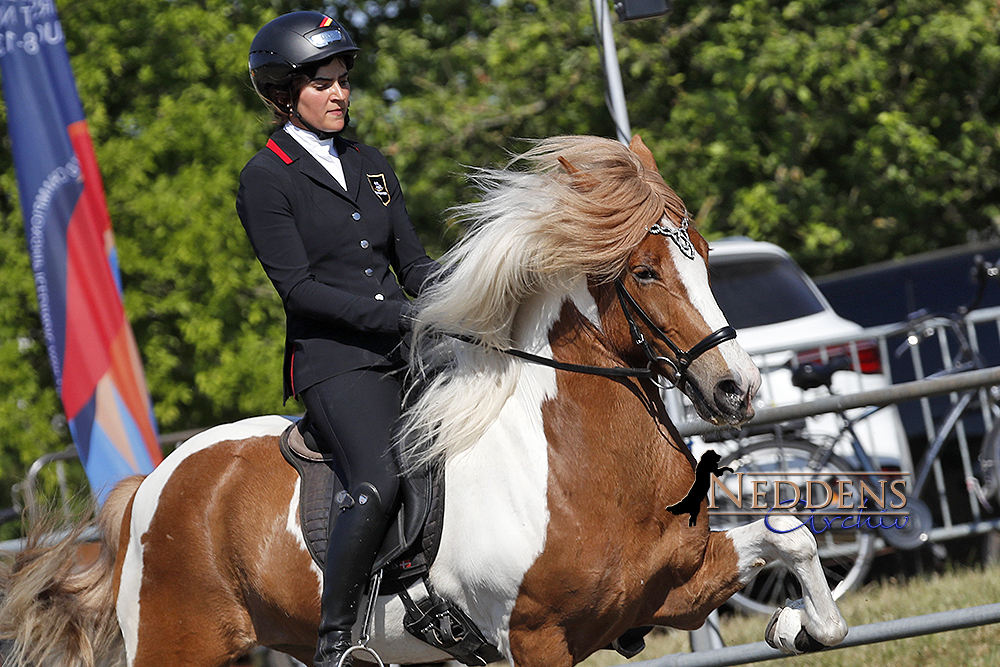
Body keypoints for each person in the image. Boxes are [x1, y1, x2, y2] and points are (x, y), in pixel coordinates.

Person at [237, 11, 438, 667]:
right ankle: (334, 642)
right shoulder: (266, 178)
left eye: (343, 81)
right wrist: (400, 320)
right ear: (282, 93)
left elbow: (413, 265)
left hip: (407, 349)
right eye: (322, 83)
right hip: (337, 364)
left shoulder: (372, 164)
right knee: (378, 479)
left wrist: (475, 291)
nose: (339, 94)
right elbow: (299, 289)